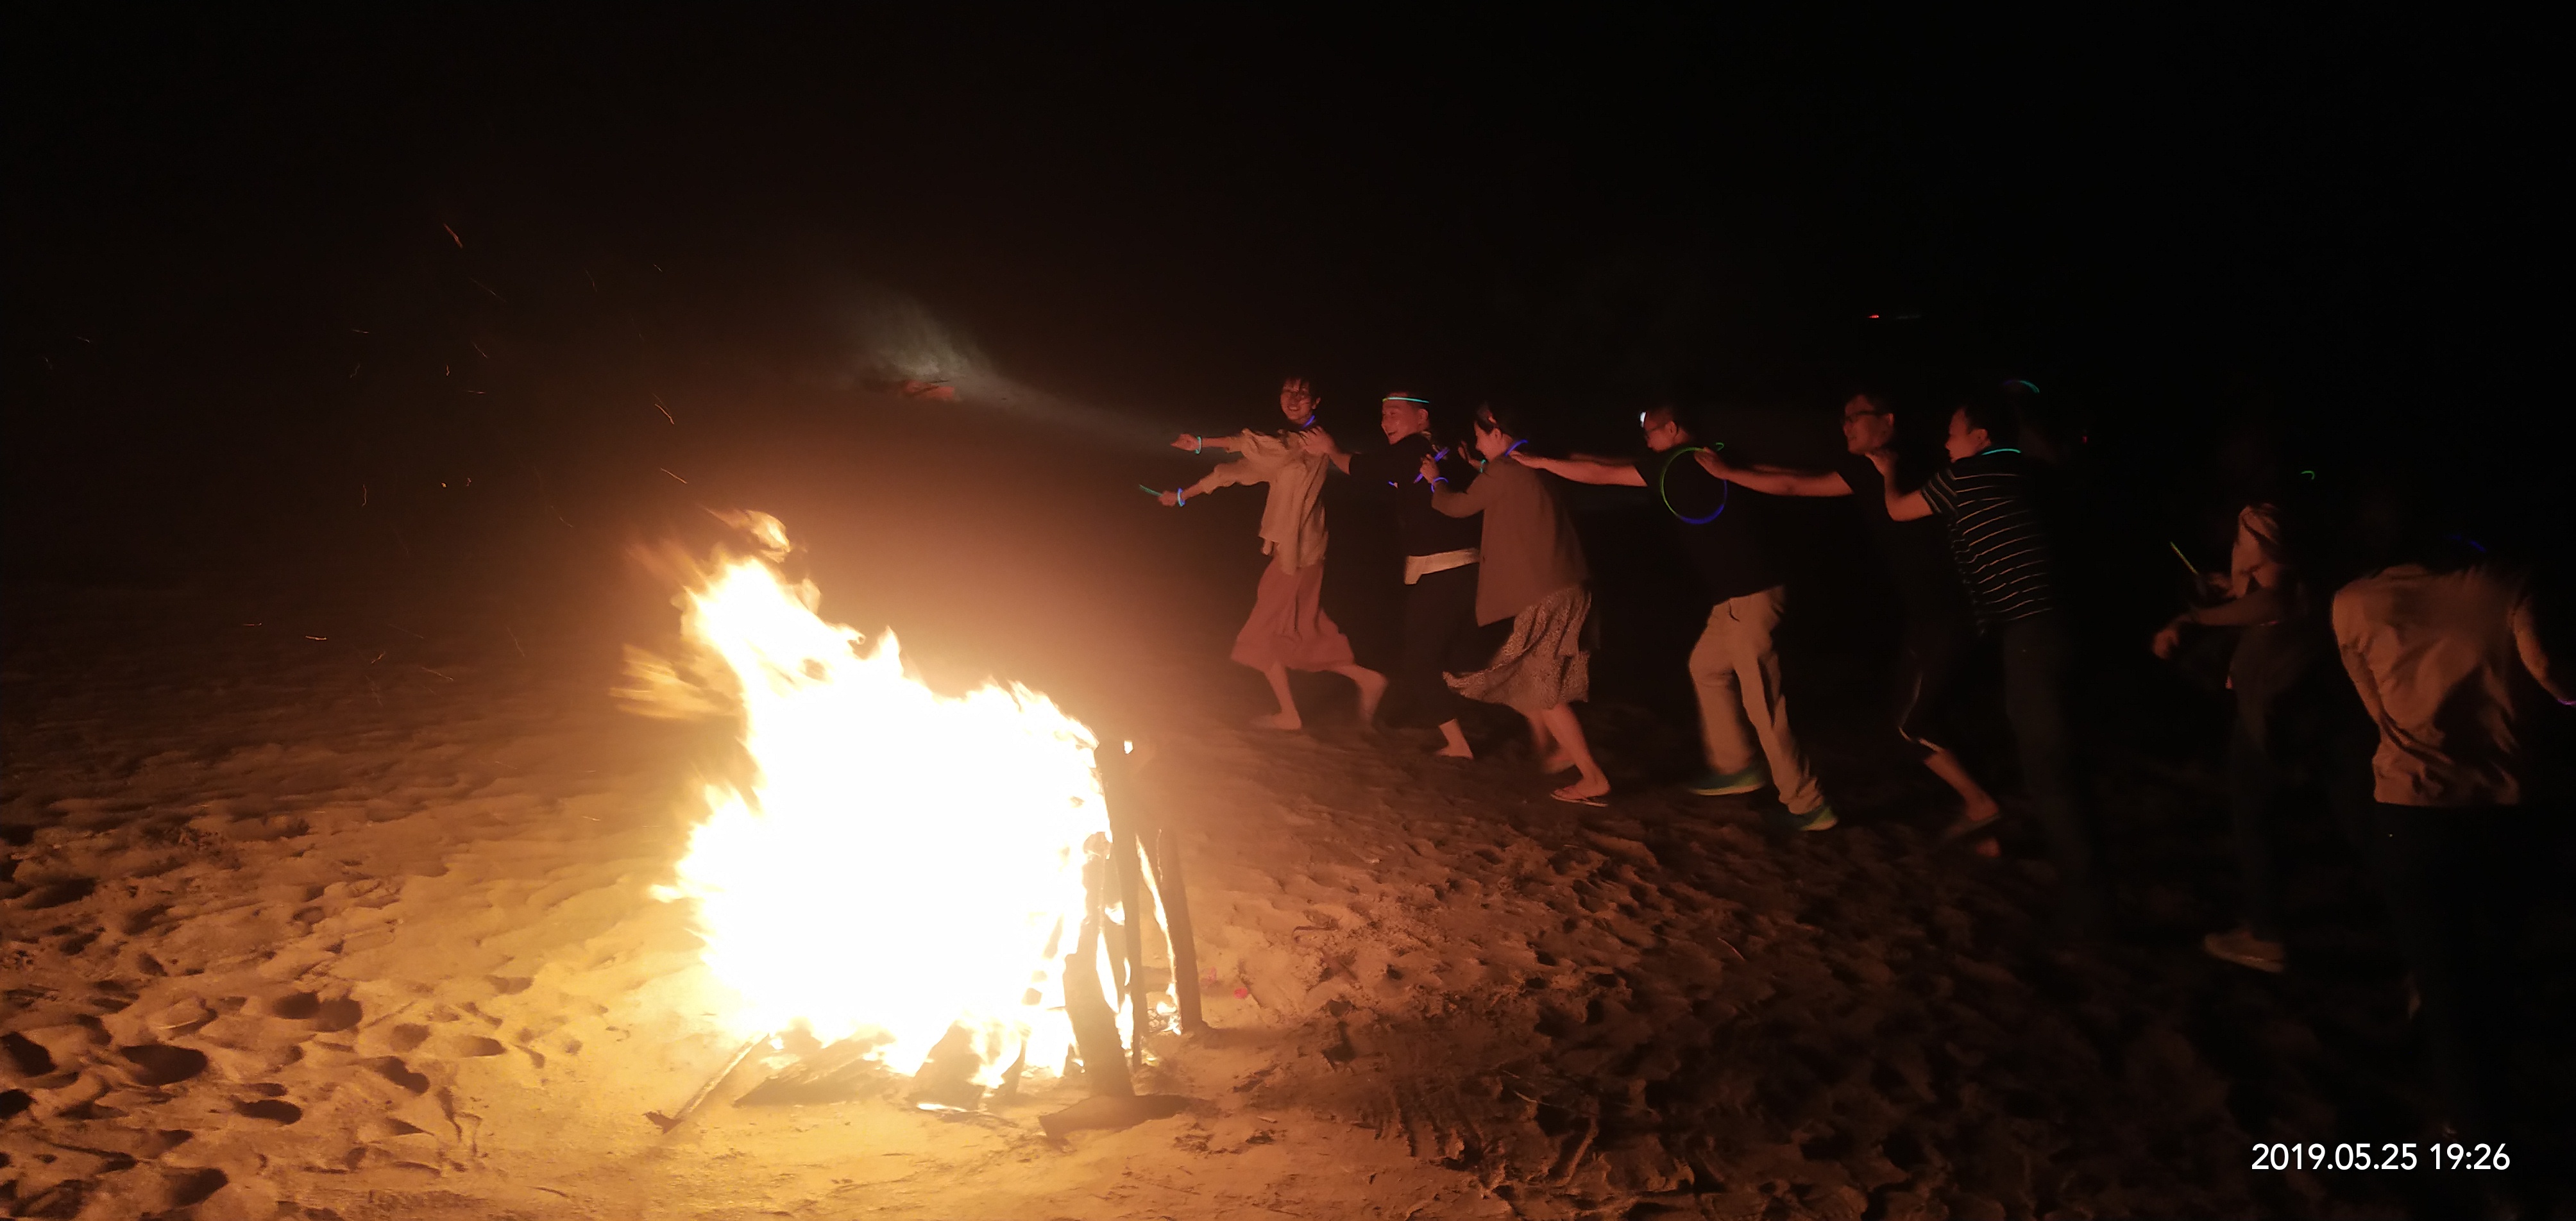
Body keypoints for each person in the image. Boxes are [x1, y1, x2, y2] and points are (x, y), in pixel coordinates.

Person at [2332, 531, 2570, 1148]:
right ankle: (2492, 1107)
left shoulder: (2353, 601)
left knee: (2444, 982)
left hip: (2411, 810)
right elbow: (2552, 675)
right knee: (2495, 965)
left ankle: (2474, 1130)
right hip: (2506, 808)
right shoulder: (2508, 585)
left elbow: (2376, 710)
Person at [1516, 404, 1836, 830]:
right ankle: (1736, 765)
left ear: (1672, 428)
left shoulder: (1676, 467)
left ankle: (1807, 804)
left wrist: (1542, 463)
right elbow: (1612, 463)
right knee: (1706, 667)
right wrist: (1566, 457)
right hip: (1739, 598)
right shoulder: (1706, 455)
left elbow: (1601, 473)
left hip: (1749, 598)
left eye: (1650, 430)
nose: (1645, 437)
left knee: (1764, 706)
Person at [1704, 392, 2000, 845]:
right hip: (1943, 611)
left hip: (1946, 613)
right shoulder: (1908, 460)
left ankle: (1981, 804)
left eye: (1854, 417)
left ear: (1887, 420)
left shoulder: (1881, 465)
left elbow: (1794, 486)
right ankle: (1987, 824)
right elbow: (1802, 478)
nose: (1845, 426)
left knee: (1909, 724)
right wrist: (1739, 469)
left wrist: (1728, 473)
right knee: (1930, 712)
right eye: (1842, 418)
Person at [1876, 391, 2098, 936]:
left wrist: (1887, 472)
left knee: (2049, 769)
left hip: (2030, 630)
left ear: (1980, 438)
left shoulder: (1965, 477)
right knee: (2051, 750)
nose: (1946, 441)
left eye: (1954, 431)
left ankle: (2090, 908)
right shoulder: (2025, 473)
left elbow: (1898, 509)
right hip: (2060, 623)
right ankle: (2035, 848)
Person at [2149, 494, 2339, 973]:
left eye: (2244, 540)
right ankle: (2266, 924)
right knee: (2261, 816)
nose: (2236, 546)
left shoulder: (2281, 564)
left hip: (2274, 711)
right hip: (2268, 708)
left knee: (2256, 817)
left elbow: (2274, 601)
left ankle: (2268, 936)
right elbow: (2262, 597)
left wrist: (2194, 618)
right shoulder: (2290, 570)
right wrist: (2230, 590)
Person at [1162, 376, 1386, 730]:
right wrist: (1182, 495)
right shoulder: (1286, 446)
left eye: (1303, 393)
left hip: (1301, 554)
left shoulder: (1310, 439)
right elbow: (1235, 471)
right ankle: (1363, 681)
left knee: (1261, 634)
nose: (1294, 398)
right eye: (1288, 391)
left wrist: (1203, 442)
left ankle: (1293, 713)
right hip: (1294, 553)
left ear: (1316, 401)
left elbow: (1254, 444)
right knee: (1296, 630)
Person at [1425, 403, 1611, 804]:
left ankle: (1592, 775)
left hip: (1544, 593)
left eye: (1479, 436)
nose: (1477, 444)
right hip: (1568, 586)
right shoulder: (1532, 465)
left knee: (1544, 691)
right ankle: (1561, 749)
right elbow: (1504, 484)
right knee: (1536, 683)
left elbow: (1458, 506)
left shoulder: (1506, 470)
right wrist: (1478, 466)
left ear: (1496, 433)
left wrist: (1435, 479)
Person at [1303, 392, 1487, 757]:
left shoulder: (1414, 447)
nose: (1385, 421)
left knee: (1420, 659)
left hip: (1443, 569)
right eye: (1383, 414)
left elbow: (1362, 469)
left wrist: (1330, 448)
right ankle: (1528, 718)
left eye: (1394, 413)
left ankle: (1459, 744)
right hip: (1462, 567)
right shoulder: (1440, 448)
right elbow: (1388, 474)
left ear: (1421, 417)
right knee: (1448, 653)